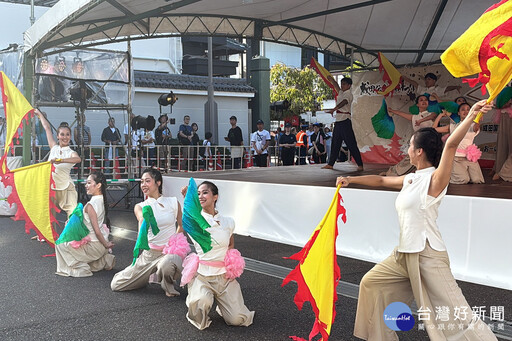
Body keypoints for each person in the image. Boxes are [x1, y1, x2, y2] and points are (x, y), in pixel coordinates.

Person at [336, 100, 496, 341]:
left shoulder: (435, 178)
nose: (407, 149)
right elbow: (381, 181)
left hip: (428, 255)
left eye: (410, 145)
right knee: (370, 284)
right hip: (403, 253)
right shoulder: (412, 178)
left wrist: (472, 114)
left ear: (419, 151)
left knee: (457, 315)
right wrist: (351, 181)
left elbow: (451, 145)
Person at [182, 181, 254, 330]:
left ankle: (223, 305)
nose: (201, 196)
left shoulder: (228, 222)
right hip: (202, 276)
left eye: (205, 192)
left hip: (224, 277)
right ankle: (195, 297)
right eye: (198, 194)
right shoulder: (195, 221)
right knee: (201, 304)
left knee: (237, 319)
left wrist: (231, 267)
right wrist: (188, 199)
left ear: (215, 196)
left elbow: (230, 245)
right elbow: (188, 217)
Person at [111, 168, 184, 297]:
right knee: (116, 284)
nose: (143, 185)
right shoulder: (141, 206)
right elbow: (141, 219)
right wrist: (144, 219)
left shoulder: (173, 201)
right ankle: (145, 277)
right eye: (142, 182)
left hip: (168, 253)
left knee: (168, 264)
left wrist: (175, 244)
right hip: (149, 255)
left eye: (147, 181)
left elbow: (182, 225)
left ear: (158, 183)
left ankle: (168, 285)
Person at [55, 171, 115, 277]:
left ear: (98, 185)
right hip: (100, 244)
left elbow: (96, 230)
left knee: (60, 244)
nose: (86, 185)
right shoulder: (102, 200)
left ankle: (81, 269)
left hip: (95, 245)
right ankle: (103, 260)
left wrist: (106, 245)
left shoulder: (90, 205)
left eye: (88, 183)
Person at [35, 109, 81, 218]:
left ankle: (70, 235)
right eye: (62, 134)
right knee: (49, 217)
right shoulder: (54, 147)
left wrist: (60, 161)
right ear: (58, 136)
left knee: (73, 215)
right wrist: (39, 113)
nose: (65, 137)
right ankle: (47, 236)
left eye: (67, 134)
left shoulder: (71, 152)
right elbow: (46, 127)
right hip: (51, 187)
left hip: (66, 188)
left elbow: (78, 159)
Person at [382, 95, 436, 176]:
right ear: (417, 104)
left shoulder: (432, 113)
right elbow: (401, 114)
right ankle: (392, 172)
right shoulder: (414, 117)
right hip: (419, 142)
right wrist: (392, 110)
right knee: (409, 160)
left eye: (425, 100)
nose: (424, 101)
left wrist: (421, 120)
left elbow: (432, 116)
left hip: (430, 142)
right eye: (421, 100)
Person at [433, 103, 484, 184]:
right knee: (463, 180)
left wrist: (477, 118)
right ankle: (446, 176)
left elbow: (476, 128)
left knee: (477, 180)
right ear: (458, 113)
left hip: (470, 157)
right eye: (463, 109)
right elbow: (434, 129)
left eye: (468, 109)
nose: (466, 111)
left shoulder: (473, 125)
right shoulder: (453, 126)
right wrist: (440, 115)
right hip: (456, 157)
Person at [323, 77, 364, 171]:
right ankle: (330, 164)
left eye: (344, 84)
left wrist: (334, 109)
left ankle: (360, 164)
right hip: (338, 121)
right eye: (342, 84)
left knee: (351, 143)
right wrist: (332, 80)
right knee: (335, 143)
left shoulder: (349, 94)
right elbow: (336, 86)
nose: (342, 86)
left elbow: (344, 102)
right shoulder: (341, 92)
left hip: (345, 120)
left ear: (349, 85)